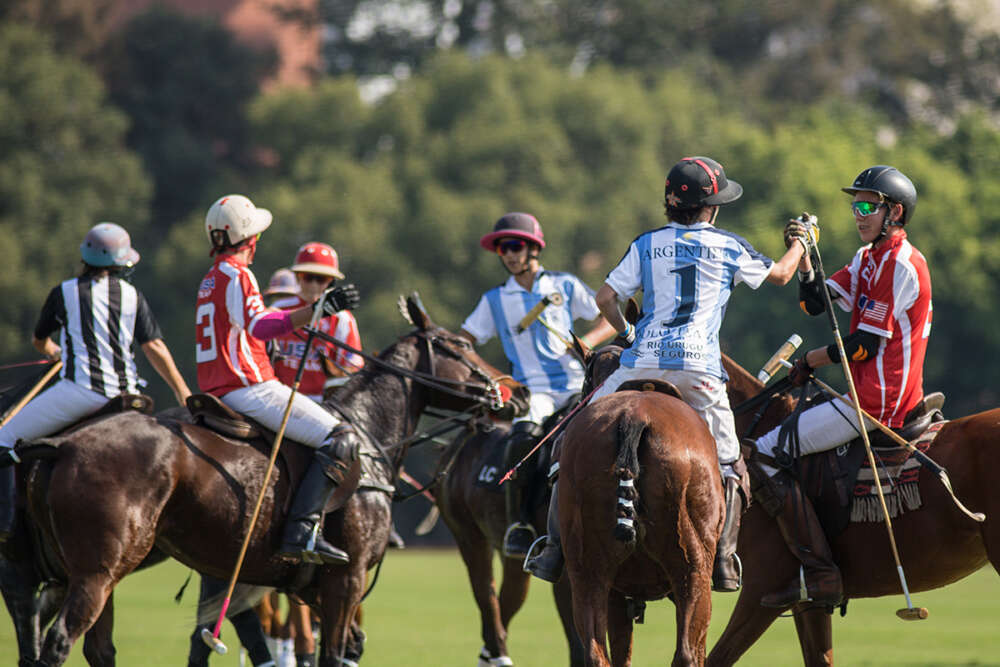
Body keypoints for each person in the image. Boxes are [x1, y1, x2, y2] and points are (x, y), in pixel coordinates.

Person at [525, 156, 808, 589]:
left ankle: (552, 548)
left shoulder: (646, 244)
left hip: (641, 361)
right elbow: (784, 275)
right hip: (700, 371)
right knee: (732, 463)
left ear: (670, 202)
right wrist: (803, 242)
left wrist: (629, 332)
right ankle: (725, 559)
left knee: (569, 444)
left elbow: (604, 299)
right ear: (711, 207)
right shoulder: (730, 245)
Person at [750, 165, 930, 608]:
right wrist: (806, 253)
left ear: (895, 213)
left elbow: (865, 346)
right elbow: (814, 304)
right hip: (862, 391)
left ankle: (819, 570)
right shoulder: (868, 258)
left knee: (768, 450)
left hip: (878, 401)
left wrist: (812, 359)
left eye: (869, 205)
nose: (858, 212)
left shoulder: (899, 263)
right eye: (856, 204)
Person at [195, 194, 361, 565]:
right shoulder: (238, 274)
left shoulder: (210, 278)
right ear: (249, 239)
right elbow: (263, 325)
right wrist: (318, 310)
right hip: (249, 387)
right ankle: (302, 530)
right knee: (341, 439)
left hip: (216, 389)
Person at [0, 222, 191, 543]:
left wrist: (55, 352)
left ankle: (4, 525)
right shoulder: (132, 295)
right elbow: (154, 347)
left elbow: (39, 340)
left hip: (80, 392)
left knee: (4, 436)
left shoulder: (65, 292)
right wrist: (181, 390)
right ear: (119, 264)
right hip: (129, 396)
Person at [459, 212, 616, 558]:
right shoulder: (495, 300)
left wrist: (586, 340)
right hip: (535, 392)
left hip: (580, 385)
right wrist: (498, 378)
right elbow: (463, 343)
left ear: (533, 248)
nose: (510, 254)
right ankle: (519, 524)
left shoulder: (564, 285)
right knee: (523, 439)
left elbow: (608, 317)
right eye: (503, 249)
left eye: (515, 246)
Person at [269, 242, 364, 402]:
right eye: (308, 277)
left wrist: (334, 371)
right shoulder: (278, 309)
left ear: (331, 282)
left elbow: (353, 365)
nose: (313, 285)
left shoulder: (342, 318)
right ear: (298, 277)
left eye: (321, 279)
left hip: (323, 402)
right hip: (279, 398)